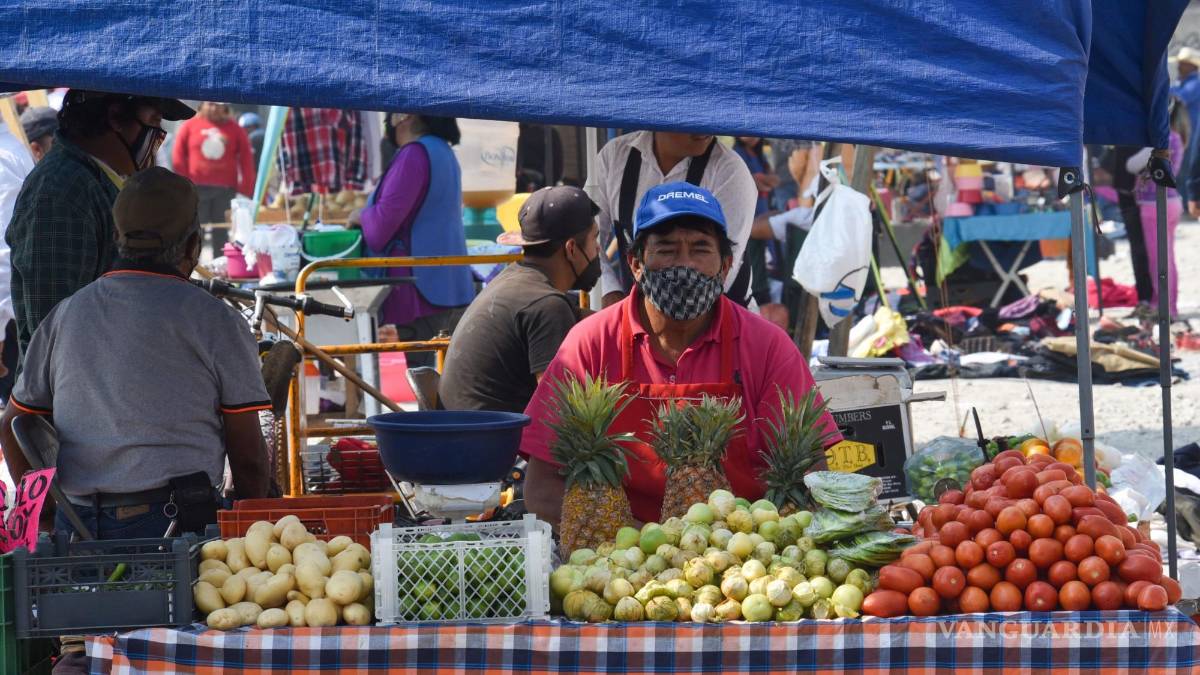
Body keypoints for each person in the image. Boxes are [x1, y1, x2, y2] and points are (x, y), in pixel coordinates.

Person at [520, 182, 840, 526]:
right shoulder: (590, 344)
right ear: (635, 263)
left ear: (725, 266)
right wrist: (640, 542)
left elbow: (810, 476)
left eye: (700, 249)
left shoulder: (767, 346)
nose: (684, 264)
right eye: (667, 249)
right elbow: (541, 490)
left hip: (744, 546)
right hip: (618, 547)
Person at [0, 167, 271, 542]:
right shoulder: (216, 320)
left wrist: (47, 516)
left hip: (78, 526)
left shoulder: (65, 315)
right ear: (193, 245)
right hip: (180, 526)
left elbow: (14, 426)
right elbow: (249, 460)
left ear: (117, 238)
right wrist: (253, 532)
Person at [6, 90, 194, 368]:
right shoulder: (61, 191)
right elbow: (53, 332)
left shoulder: (97, 179)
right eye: (154, 121)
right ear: (115, 117)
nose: (158, 136)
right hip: (76, 390)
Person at [440, 186, 600, 413]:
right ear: (571, 249)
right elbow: (562, 411)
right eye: (594, 238)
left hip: (463, 426)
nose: (598, 248)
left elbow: (580, 318)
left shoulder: (515, 279)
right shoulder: (547, 305)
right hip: (491, 434)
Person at [350, 113, 475, 368]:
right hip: (448, 284)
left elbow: (380, 230)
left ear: (402, 117)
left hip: (421, 290)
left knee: (427, 378)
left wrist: (359, 216)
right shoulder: (443, 151)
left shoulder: (413, 154)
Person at [589, 131, 760, 308]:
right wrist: (610, 293)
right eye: (666, 250)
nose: (705, 128)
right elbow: (586, 238)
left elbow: (721, 276)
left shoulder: (730, 172)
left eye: (699, 249)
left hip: (721, 316)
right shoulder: (615, 157)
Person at [1128, 97, 1188, 319]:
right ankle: (1167, 304)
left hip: (1154, 205)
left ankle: (1164, 306)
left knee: (1158, 261)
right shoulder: (1177, 137)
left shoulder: (1162, 140)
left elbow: (1131, 165)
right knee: (1167, 257)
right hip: (1171, 202)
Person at [172, 102, 256, 253]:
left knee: (222, 232)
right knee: (194, 231)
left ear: (225, 107)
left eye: (218, 105)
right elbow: (178, 156)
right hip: (196, 189)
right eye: (210, 104)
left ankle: (221, 263)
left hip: (225, 191)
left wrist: (245, 190)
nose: (214, 108)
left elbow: (246, 159)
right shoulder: (189, 126)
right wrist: (184, 185)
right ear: (203, 105)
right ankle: (191, 262)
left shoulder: (235, 129)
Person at [1173, 48, 1200, 208]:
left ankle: (1187, 203)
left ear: (1192, 66)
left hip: (1191, 135)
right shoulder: (1181, 82)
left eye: (1183, 63)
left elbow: (1180, 97)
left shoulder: (1195, 83)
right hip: (1183, 134)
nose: (1179, 66)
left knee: (1186, 171)